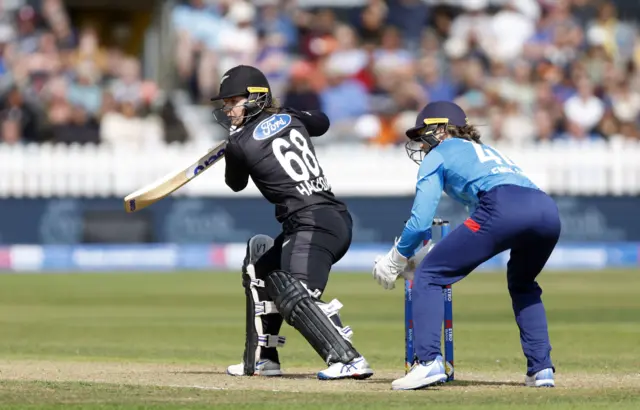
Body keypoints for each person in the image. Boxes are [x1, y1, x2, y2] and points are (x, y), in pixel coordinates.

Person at [372, 101, 561, 390]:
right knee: (523, 283)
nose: (421, 145)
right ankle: (541, 369)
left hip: (502, 207)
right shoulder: (487, 151)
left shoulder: (438, 155)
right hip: (547, 210)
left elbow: (421, 222)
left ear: (440, 129)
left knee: (430, 275)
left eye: (424, 134)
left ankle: (429, 362)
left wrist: (397, 258)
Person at [211, 65, 373, 380]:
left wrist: (233, 149)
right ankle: (263, 357)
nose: (228, 109)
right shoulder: (291, 117)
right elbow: (322, 123)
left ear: (256, 97)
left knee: (295, 293)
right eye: (225, 104)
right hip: (325, 220)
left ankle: (347, 357)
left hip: (312, 223)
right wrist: (286, 115)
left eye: (233, 101)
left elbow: (236, 184)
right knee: (260, 265)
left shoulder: (239, 143)